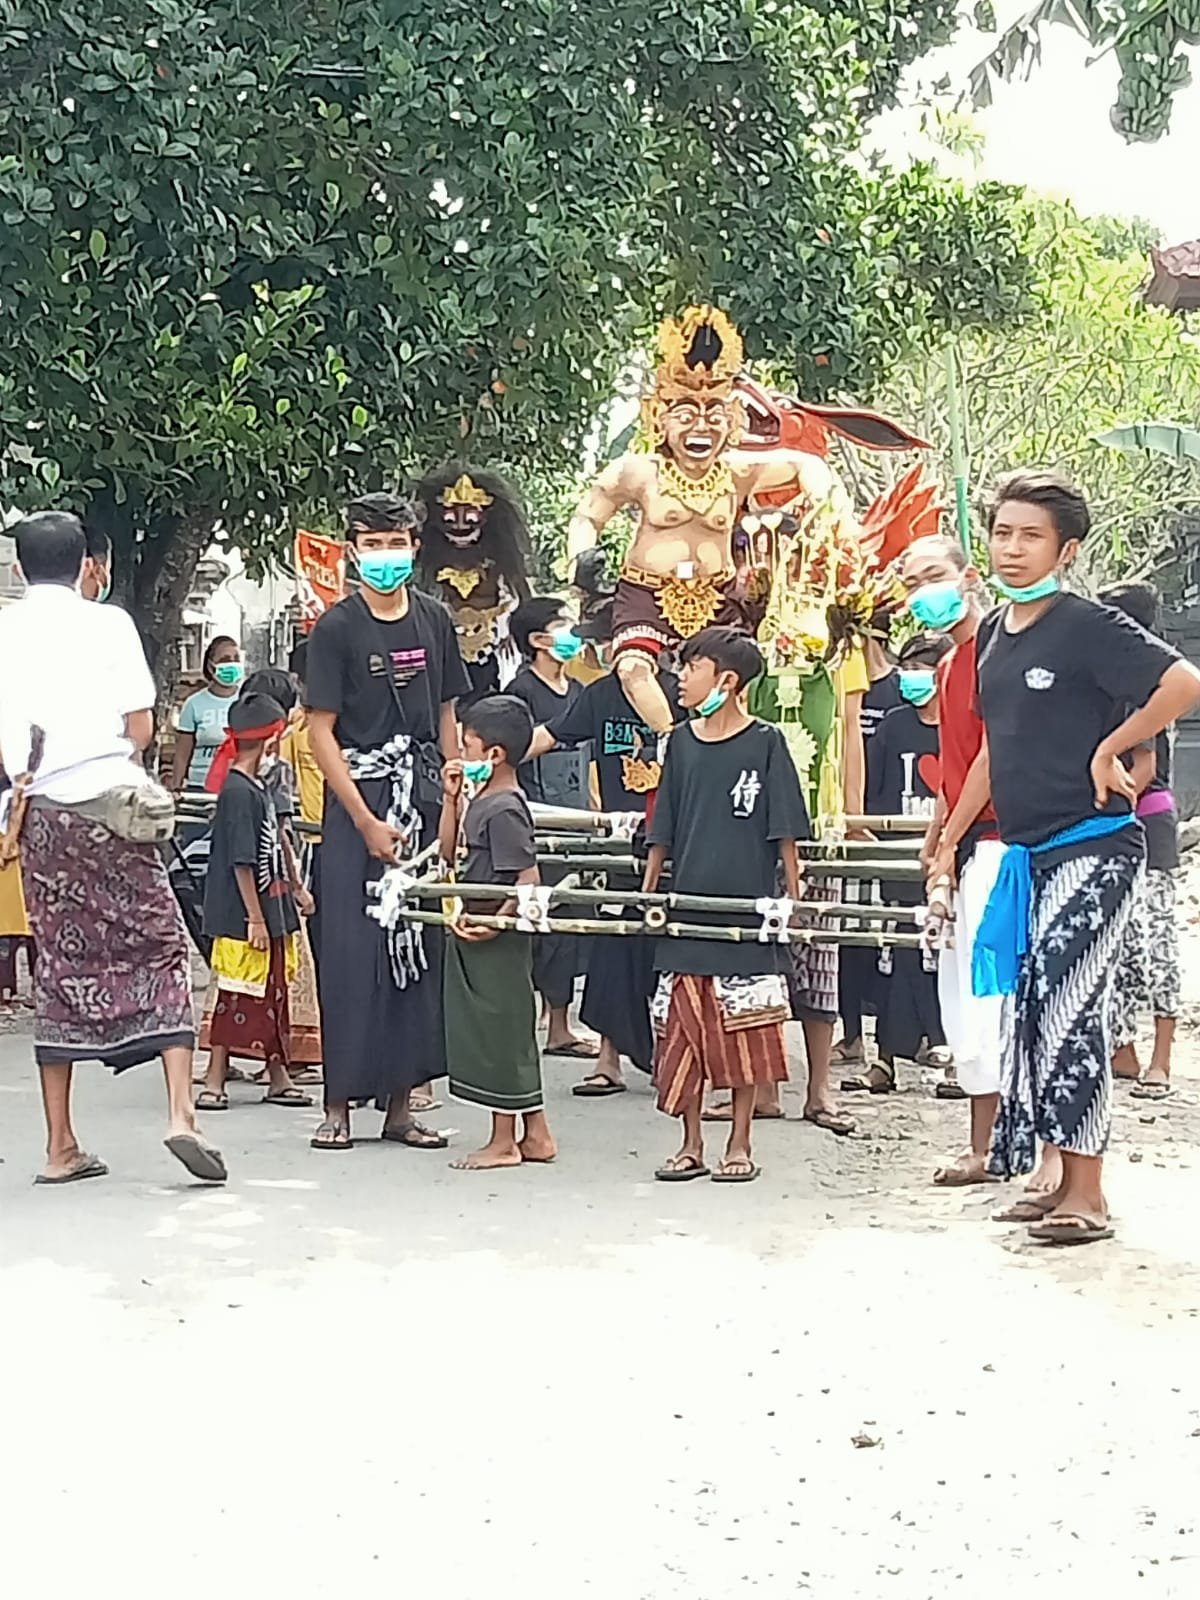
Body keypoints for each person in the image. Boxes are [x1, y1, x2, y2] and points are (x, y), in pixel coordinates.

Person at [972, 471, 1200, 1244]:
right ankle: (1054, 1176)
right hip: (1027, 852)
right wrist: (949, 834)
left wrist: (1117, 744)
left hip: (1095, 845)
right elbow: (994, 747)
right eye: (1003, 532)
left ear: (1066, 549)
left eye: (1029, 536)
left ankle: (1089, 1196)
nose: (1011, 548)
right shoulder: (991, 632)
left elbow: (1183, 682)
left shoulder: (1088, 624)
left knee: (1072, 1009)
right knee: (1034, 1010)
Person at [0, 511, 225, 1184]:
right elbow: (139, 724)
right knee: (158, 943)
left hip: (39, 810)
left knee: (61, 960)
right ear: (87, 568)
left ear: (17, 568)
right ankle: (182, 1112)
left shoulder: (3, 630)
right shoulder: (108, 624)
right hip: (111, 803)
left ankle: (60, 1143)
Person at [304, 490, 471, 1150]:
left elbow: (448, 715)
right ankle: (338, 1105)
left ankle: (401, 1106)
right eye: (371, 545)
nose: (384, 556)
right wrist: (365, 819)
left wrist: (455, 794)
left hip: (422, 800)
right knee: (350, 954)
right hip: (358, 806)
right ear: (353, 551)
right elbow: (320, 733)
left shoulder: (434, 621)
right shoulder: (336, 629)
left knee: (416, 949)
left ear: (414, 546)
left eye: (394, 543)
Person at [643, 627, 810, 1183]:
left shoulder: (765, 741)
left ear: (727, 680)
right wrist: (650, 886)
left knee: (745, 1032)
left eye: (691, 668)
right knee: (681, 1030)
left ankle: (739, 1142)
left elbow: (784, 822)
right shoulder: (682, 742)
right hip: (686, 906)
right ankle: (690, 1142)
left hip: (748, 905)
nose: (680, 678)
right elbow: (662, 821)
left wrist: (795, 888)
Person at [523, 606, 685, 1095]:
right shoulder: (599, 695)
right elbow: (549, 736)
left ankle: (677, 1058)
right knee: (613, 946)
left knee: (672, 951)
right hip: (619, 845)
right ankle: (609, 1062)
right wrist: (492, 759)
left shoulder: (682, 692)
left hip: (679, 841)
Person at [903, 535, 1009, 1187]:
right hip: (970, 843)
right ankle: (984, 1145)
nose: (924, 592)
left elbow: (994, 760)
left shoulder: (1002, 648)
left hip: (1006, 840)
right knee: (968, 999)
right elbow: (953, 767)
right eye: (913, 581)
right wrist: (938, 837)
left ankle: (1007, 1145)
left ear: (968, 576)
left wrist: (948, 840)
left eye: (934, 575)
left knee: (997, 996)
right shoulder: (947, 668)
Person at [440, 695, 557, 1170]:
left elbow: (526, 878)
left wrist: (496, 922)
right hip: (477, 922)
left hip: (498, 935)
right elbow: (449, 854)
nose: (460, 755)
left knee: (501, 1031)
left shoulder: (505, 807)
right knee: (502, 1028)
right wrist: (451, 799)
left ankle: (503, 1140)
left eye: (467, 746)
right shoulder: (480, 800)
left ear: (494, 755)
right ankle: (537, 1133)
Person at [197, 692, 315, 1111]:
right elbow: (243, 861)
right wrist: (255, 919)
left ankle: (278, 1074)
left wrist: (297, 886)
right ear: (272, 739)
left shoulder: (257, 786)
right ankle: (215, 1079)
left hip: (274, 903)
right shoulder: (237, 792)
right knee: (238, 990)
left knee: (273, 992)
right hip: (244, 911)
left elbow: (276, 842)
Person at [1099, 582, 1181, 1102]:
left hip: (1142, 824)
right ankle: (1124, 1049)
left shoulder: (1141, 687)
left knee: (1154, 944)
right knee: (1121, 945)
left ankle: (1162, 1059)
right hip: (1120, 823)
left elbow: (1144, 765)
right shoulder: (1113, 681)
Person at [507, 596, 596, 1059]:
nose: (573, 634)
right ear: (538, 640)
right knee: (534, 916)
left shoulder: (581, 691)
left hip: (578, 816)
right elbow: (509, 753)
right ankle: (532, 1018)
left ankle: (560, 1021)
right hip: (534, 817)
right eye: (563, 626)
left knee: (568, 920)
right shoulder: (519, 693)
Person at [861, 632, 951, 1086]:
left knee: (942, 949)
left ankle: (941, 1039)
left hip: (947, 854)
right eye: (908, 668)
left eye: (923, 668)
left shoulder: (961, 724)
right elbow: (870, 785)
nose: (913, 678)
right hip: (896, 852)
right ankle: (888, 1054)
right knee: (899, 948)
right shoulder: (893, 725)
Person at [834, 614, 900, 1076]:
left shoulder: (898, 691)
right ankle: (851, 1033)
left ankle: (895, 1039)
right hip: (855, 824)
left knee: (890, 940)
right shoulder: (839, 681)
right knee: (847, 937)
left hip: (888, 830)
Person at [171, 635, 244, 793]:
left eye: (236, 659)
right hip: (200, 786)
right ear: (211, 666)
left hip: (237, 786)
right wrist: (176, 787)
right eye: (225, 659)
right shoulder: (194, 704)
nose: (232, 663)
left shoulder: (248, 701)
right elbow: (183, 754)